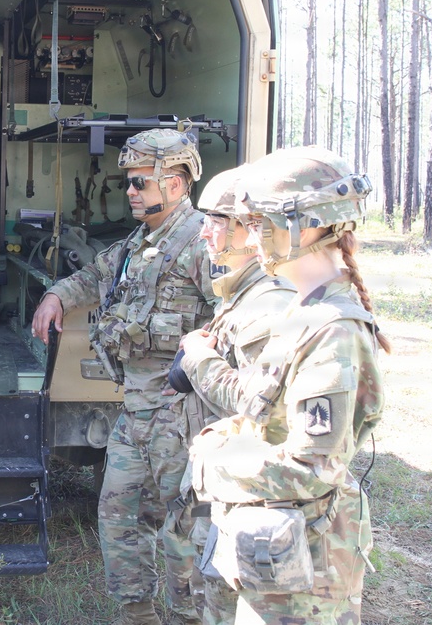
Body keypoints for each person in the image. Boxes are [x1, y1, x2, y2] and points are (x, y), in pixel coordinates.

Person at [186, 146, 389, 624]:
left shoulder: (333, 330)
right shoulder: (305, 311)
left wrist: (213, 462)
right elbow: (267, 410)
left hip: (309, 570)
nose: (251, 237)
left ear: (302, 225)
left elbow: (311, 469)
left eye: (259, 223)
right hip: (279, 551)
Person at [32, 128, 217, 625]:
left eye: (139, 183)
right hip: (134, 415)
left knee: (184, 532)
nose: (130, 192)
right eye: (129, 183)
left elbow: (239, 318)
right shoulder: (141, 242)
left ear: (175, 184)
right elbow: (95, 276)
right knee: (117, 521)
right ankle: (136, 615)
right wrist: (56, 296)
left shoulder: (204, 242)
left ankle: (189, 617)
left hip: (182, 419)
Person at [160, 165, 296, 625]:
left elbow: (260, 404)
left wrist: (199, 358)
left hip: (248, 485)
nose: (204, 234)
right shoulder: (239, 294)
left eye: (216, 223)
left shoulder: (268, 303)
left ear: (250, 229)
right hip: (220, 475)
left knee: (221, 598)